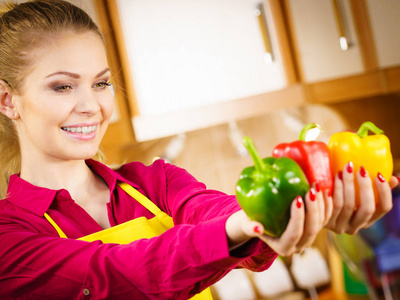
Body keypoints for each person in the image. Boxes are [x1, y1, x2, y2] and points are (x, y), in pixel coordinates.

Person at [0, 1, 398, 299]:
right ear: (7, 101)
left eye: (101, 83)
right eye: (63, 86)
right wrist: (241, 227)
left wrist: (300, 206)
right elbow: (113, 276)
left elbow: (221, 212)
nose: (92, 105)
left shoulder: (155, 180)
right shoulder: (8, 236)